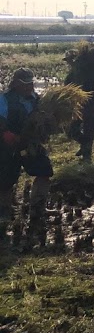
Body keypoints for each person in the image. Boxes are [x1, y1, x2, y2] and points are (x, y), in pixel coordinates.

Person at [0, 69, 53, 226]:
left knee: (44, 170)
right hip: (9, 145)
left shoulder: (37, 99)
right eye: (25, 84)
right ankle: (3, 211)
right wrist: (6, 133)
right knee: (5, 179)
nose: (29, 87)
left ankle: (37, 208)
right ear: (16, 83)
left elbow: (43, 120)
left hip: (30, 144)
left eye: (30, 83)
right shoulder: (5, 99)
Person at [63, 44, 94, 162]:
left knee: (86, 130)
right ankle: (85, 145)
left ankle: (87, 155)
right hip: (79, 105)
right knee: (73, 130)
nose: (67, 63)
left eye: (69, 61)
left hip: (86, 105)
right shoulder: (74, 73)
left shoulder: (87, 71)